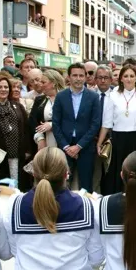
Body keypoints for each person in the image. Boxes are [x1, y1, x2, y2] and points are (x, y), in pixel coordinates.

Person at [97, 64, 136, 196]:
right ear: (121, 79)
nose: (129, 79)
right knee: (118, 172)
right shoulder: (113, 96)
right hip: (118, 140)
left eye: (132, 76)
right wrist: (99, 143)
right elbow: (107, 122)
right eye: (126, 76)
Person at [52, 63, 101, 192]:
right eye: (75, 75)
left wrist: (79, 146)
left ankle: (86, 205)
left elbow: (95, 124)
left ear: (85, 77)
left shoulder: (93, 97)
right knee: (62, 184)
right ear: (69, 77)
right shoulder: (60, 96)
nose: (78, 79)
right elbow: (56, 123)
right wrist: (65, 147)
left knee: (86, 185)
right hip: (65, 146)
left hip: (85, 146)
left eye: (81, 75)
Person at [29, 69, 65, 151]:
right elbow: (33, 121)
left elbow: (71, 120)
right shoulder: (39, 100)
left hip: (64, 143)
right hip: (45, 143)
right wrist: (40, 138)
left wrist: (52, 125)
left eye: (43, 82)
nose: (40, 85)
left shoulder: (68, 98)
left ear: (53, 83)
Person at [92, 65, 114, 194]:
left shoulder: (117, 95)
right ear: (95, 79)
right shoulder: (90, 95)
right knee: (95, 175)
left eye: (106, 77)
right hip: (92, 140)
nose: (103, 81)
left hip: (111, 141)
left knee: (110, 174)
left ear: (111, 79)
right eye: (100, 78)